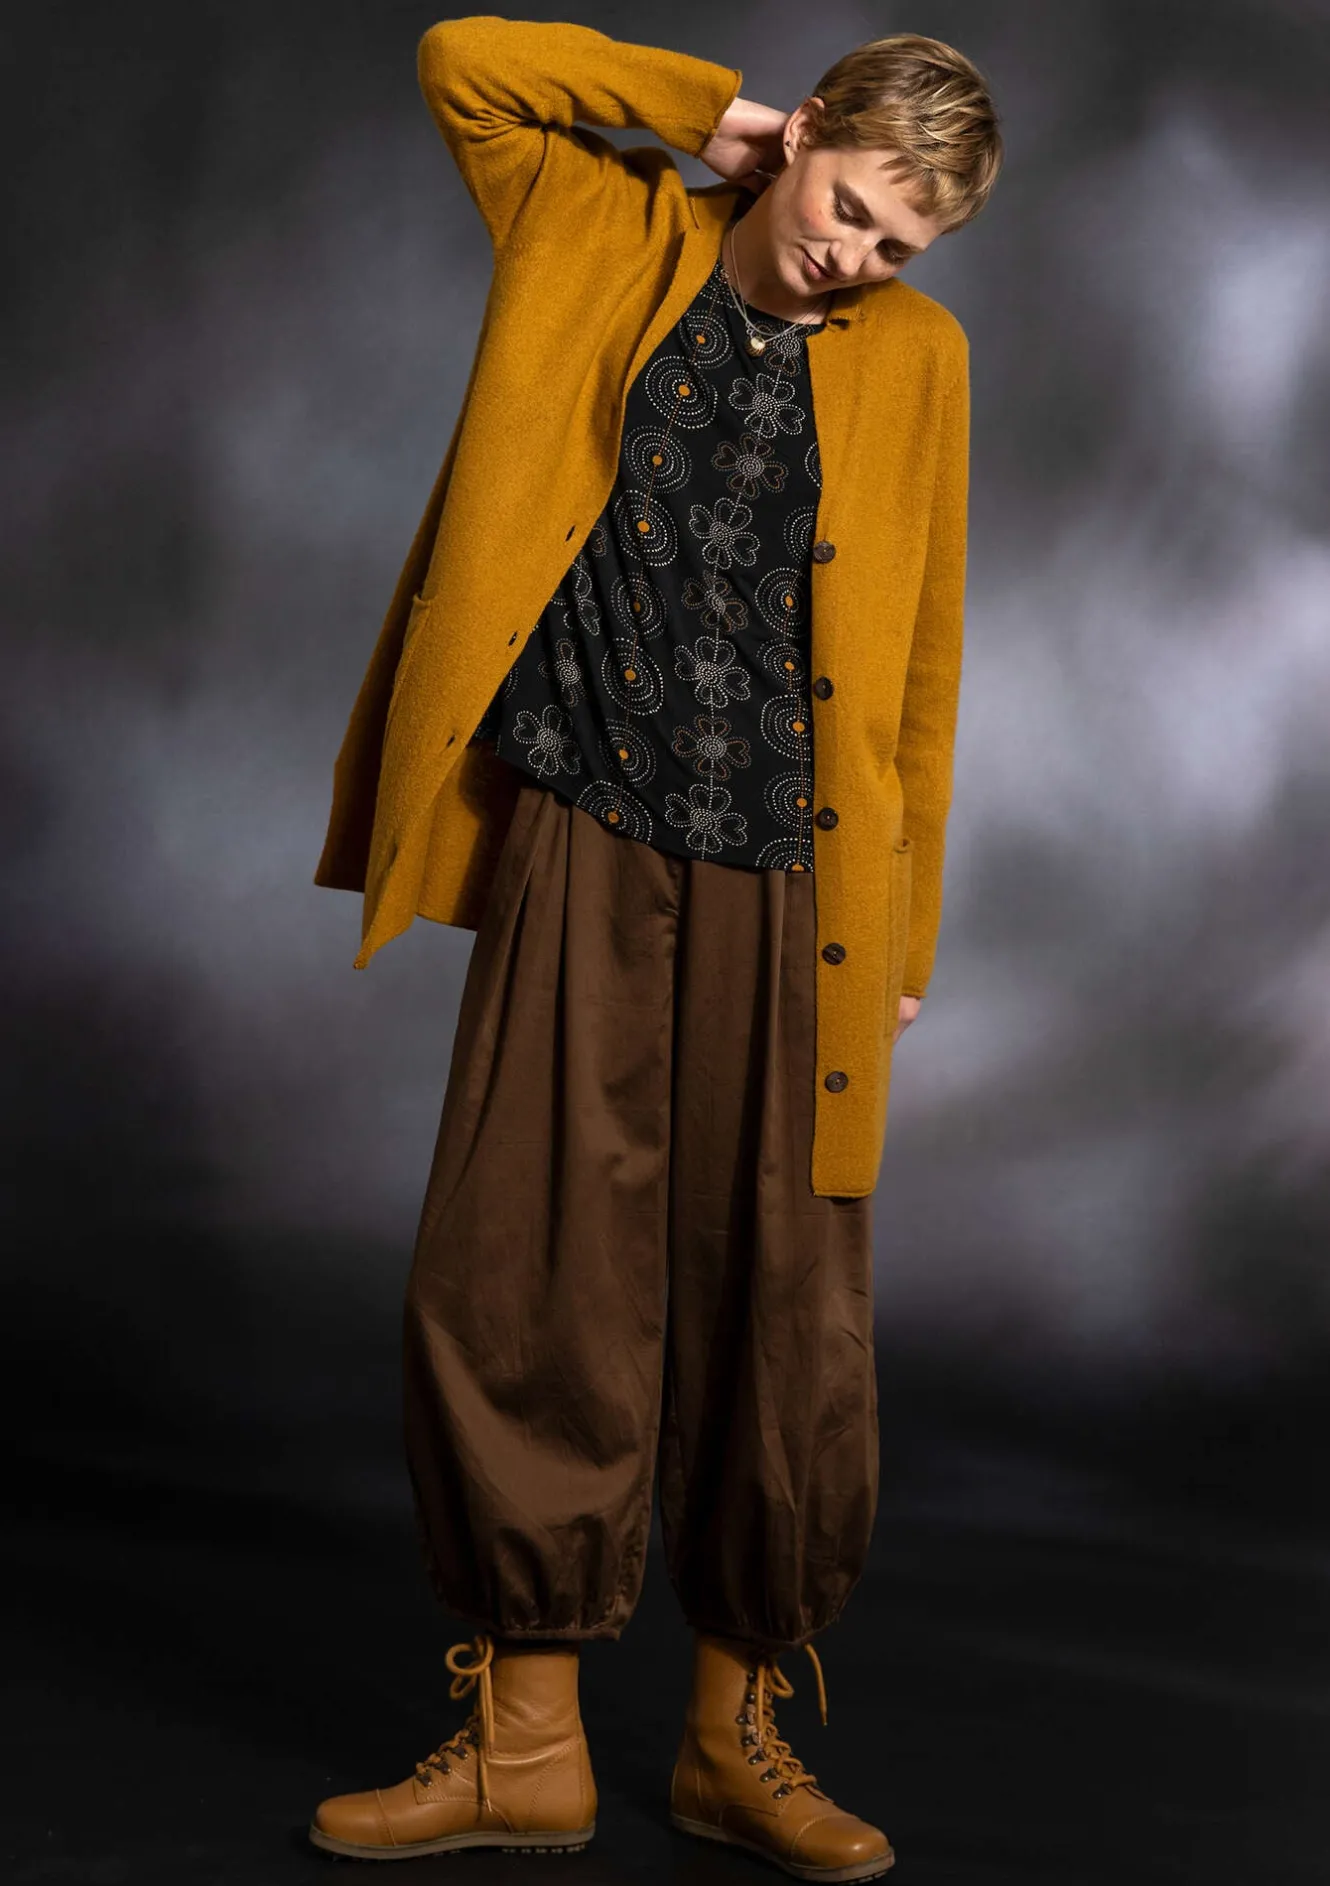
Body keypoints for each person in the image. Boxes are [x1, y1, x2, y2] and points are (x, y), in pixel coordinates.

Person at [308, 15, 1000, 1879]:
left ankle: (729, 1736)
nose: (854, 259)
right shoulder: (597, 226)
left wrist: (904, 923)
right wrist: (713, 115)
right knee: (524, 1253)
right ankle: (524, 1743)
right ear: (806, 140)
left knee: (784, 1293)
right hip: (584, 825)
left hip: (799, 876)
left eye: (897, 246)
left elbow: (921, 669)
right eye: (846, 207)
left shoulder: (921, 362)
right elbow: (466, 59)